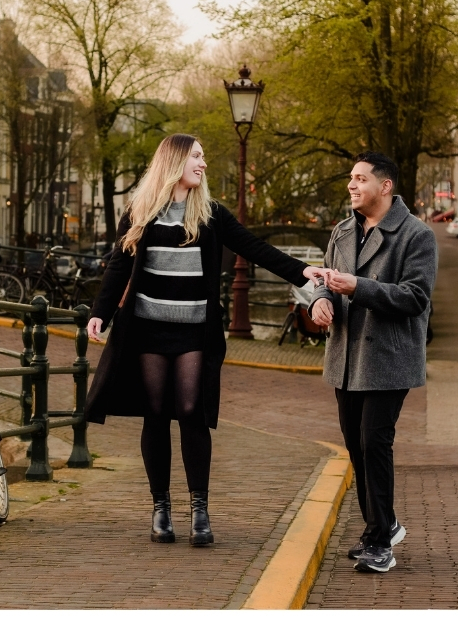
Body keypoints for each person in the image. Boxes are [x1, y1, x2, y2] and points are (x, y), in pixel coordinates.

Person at [84, 133, 324, 546]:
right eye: (197, 155)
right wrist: (100, 314)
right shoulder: (140, 212)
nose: (203, 163)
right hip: (147, 328)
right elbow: (118, 268)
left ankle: (200, 511)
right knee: (156, 411)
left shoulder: (210, 214)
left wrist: (303, 271)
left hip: (194, 330)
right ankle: (161, 509)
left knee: (193, 408)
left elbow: (254, 247)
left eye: (203, 155)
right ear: (175, 161)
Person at [307, 155, 438, 574]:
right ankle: (381, 523)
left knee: (373, 442)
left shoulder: (417, 235)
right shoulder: (342, 231)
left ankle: (381, 542)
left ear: (385, 187)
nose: (351, 185)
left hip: (389, 357)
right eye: (350, 178)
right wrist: (322, 302)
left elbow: (416, 298)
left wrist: (359, 287)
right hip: (346, 355)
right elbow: (322, 283)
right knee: (353, 443)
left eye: (360, 179)